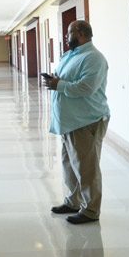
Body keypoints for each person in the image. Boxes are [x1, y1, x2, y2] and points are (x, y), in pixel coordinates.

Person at [43, 20, 110, 224]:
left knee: (86, 167)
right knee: (69, 166)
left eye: (69, 32)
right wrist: (56, 80)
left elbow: (86, 88)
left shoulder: (94, 58)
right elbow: (66, 80)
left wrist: (59, 84)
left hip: (86, 121)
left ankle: (90, 210)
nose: (66, 36)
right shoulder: (70, 55)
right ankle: (73, 201)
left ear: (80, 33)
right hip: (69, 122)